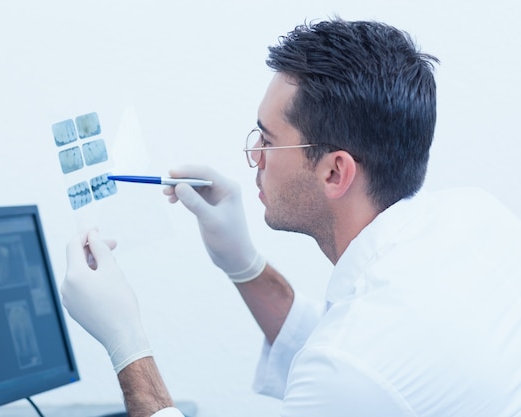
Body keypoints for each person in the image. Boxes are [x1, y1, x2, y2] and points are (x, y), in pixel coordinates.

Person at [61, 18, 521, 417]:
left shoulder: (353, 365)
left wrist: (127, 345)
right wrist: (244, 265)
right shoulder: (475, 214)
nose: (253, 156)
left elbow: (350, 369)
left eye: (267, 140)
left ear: (335, 171)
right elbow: (339, 351)